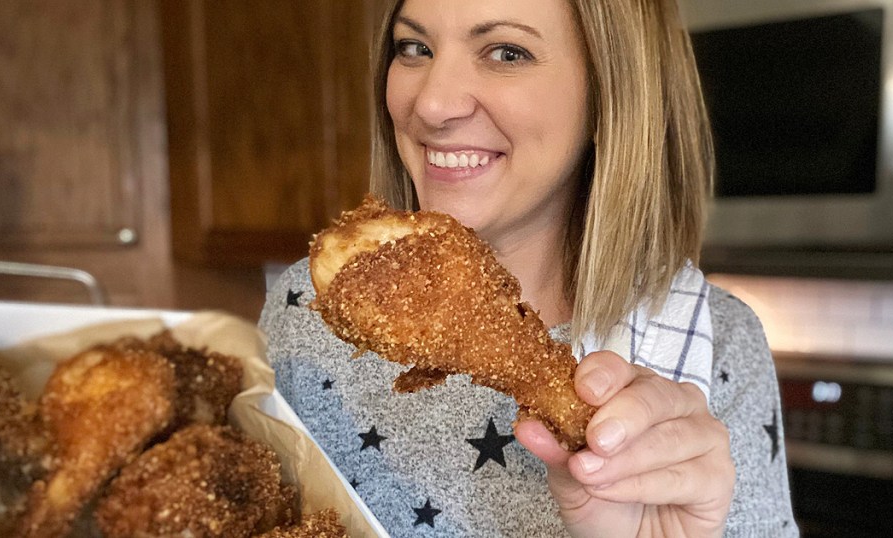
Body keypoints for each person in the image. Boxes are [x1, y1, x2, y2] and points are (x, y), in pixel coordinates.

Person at [261, 0, 799, 535]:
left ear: (610, 96)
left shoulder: (716, 347)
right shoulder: (305, 311)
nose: (431, 104)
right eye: (414, 47)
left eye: (506, 52)